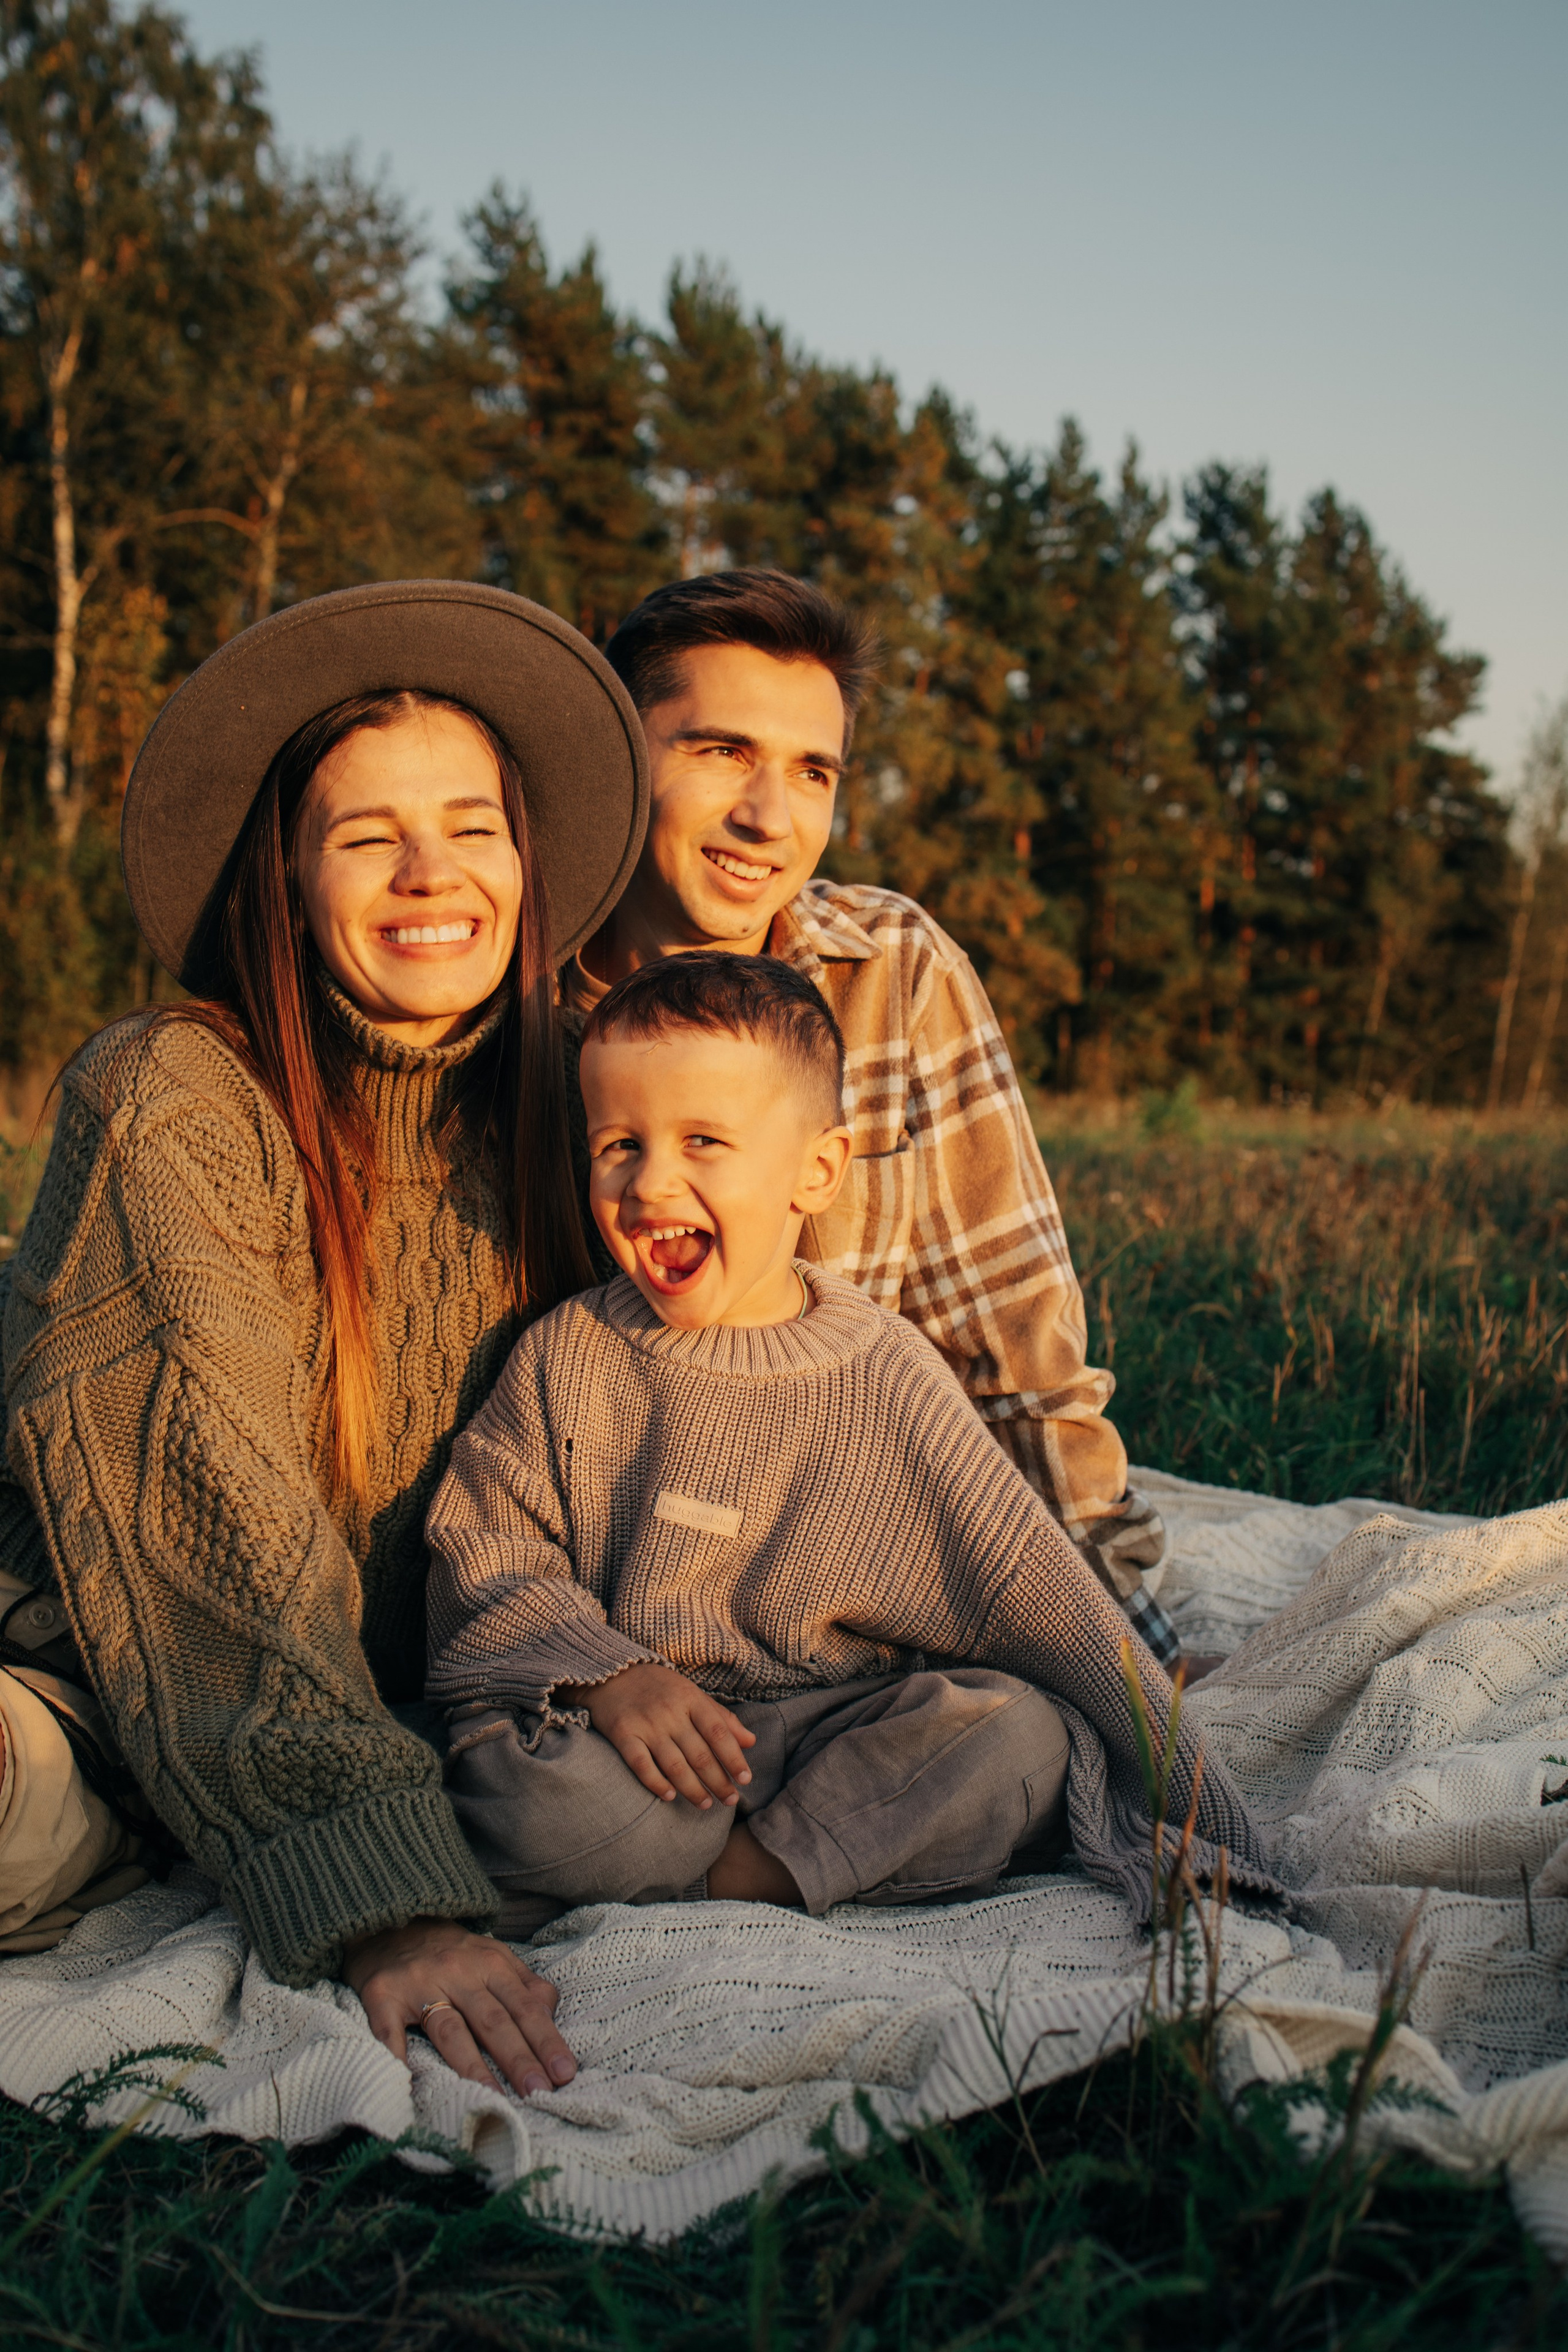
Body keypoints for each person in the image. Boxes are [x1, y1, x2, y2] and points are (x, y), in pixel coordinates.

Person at [0, 581, 650, 2097]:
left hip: (416, 1707)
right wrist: (388, 1910)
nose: (434, 872)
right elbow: (203, 1536)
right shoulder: (172, 1095)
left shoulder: (580, 1103)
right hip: (87, 1672)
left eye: (474, 825)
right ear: (286, 883)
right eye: (367, 836)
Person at [426, 955, 1271, 1920]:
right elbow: (483, 1552)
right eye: (618, 1143)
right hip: (639, 1745)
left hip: (837, 1730)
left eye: (705, 1141)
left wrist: (1207, 1811)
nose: (651, 1182)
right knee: (527, 1794)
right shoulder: (569, 1355)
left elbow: (1039, 1596)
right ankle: (770, 1865)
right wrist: (609, 1676)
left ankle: (740, 1876)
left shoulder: (884, 1370)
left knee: (1019, 1737)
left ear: (816, 1171)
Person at [565, 568, 1181, 1667]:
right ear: (619, 751)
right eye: (721, 752)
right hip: (611, 1608)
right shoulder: (514, 1007)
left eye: (812, 771)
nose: (769, 816)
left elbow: (1014, 1348)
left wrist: (1128, 1661)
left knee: (1010, 1745)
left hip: (868, 1595)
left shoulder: (891, 970)